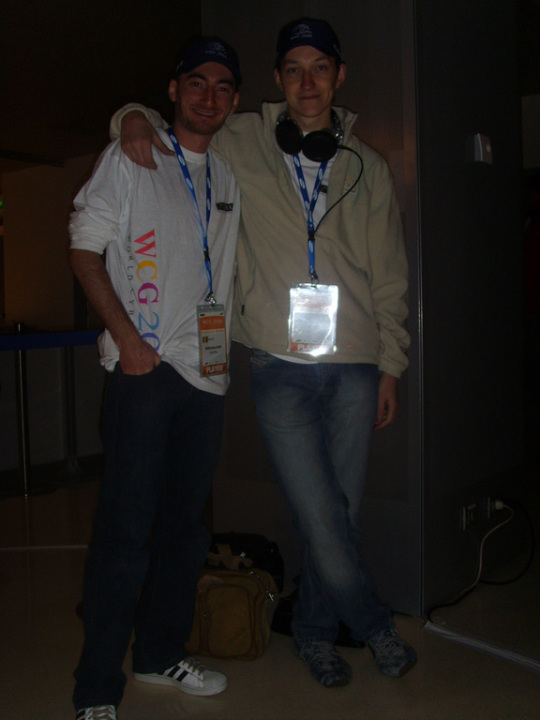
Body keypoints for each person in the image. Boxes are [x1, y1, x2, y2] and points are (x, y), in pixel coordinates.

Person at [111, 17, 417, 688]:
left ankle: (313, 634)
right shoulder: (244, 140)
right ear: (279, 80)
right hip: (280, 367)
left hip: (355, 364)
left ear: (339, 77)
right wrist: (130, 116)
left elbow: (390, 277)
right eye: (294, 70)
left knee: (336, 515)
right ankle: (374, 625)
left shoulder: (368, 166)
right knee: (322, 514)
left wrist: (391, 365)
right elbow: (183, 122)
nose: (308, 82)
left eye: (320, 68)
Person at [69, 37, 241, 720]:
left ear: (233, 100)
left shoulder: (227, 175)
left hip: (207, 376)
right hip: (144, 371)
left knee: (184, 533)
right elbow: (84, 250)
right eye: (196, 82)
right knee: (125, 535)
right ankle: (95, 688)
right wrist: (128, 341)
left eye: (222, 86)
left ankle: (159, 653)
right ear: (173, 90)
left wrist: (131, 111)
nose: (209, 95)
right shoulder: (132, 154)